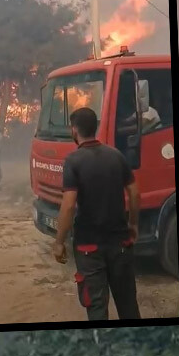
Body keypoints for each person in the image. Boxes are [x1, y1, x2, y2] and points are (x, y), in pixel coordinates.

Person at [51, 107, 141, 320]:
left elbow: (69, 205)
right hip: (120, 243)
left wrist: (59, 242)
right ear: (95, 128)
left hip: (89, 248)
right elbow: (135, 194)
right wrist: (134, 225)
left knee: (97, 309)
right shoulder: (116, 156)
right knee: (128, 305)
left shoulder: (73, 161)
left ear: (74, 130)